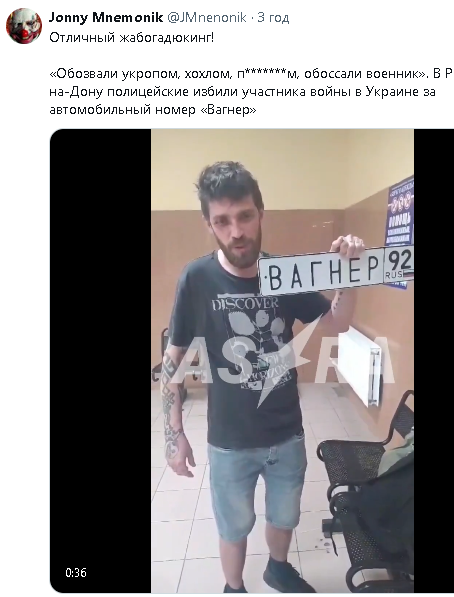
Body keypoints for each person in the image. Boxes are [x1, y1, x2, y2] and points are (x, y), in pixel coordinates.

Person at [160, 161, 365, 593]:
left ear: (261, 214)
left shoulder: (284, 274)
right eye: (222, 221)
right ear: (209, 225)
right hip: (229, 441)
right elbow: (172, 359)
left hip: (286, 434)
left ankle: (278, 568)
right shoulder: (197, 278)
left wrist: (349, 275)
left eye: (245, 216)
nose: (236, 231)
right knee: (233, 526)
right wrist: (174, 435)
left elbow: (338, 323)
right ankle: (234, 586)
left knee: (284, 517)